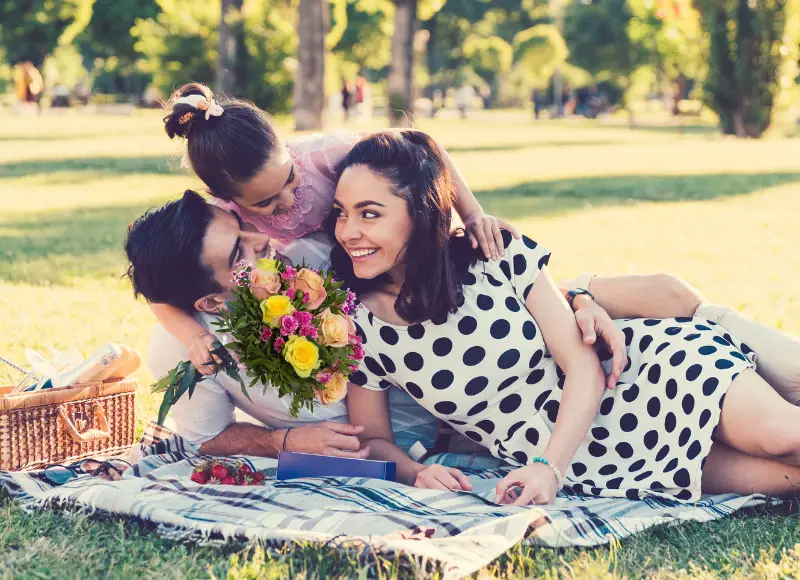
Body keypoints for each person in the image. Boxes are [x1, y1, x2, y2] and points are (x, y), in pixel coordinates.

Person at [333, 130, 800, 504]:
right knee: (786, 479)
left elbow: (582, 367)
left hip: (648, 379)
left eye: (369, 214)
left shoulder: (493, 256)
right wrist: (418, 472)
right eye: (341, 214)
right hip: (596, 458)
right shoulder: (360, 330)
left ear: (420, 211)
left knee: (784, 436)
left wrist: (547, 469)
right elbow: (373, 437)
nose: (349, 232)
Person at [152, 82, 516, 378]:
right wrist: (197, 336)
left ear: (286, 149)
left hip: (382, 247)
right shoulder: (220, 212)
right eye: (265, 202)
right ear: (224, 196)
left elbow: (419, 143)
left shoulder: (322, 155)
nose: (287, 199)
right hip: (334, 274)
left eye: (290, 180)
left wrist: (471, 215)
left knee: (441, 297)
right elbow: (157, 289)